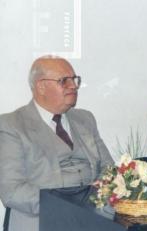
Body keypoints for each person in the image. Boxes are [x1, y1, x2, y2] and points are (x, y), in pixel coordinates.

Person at [0, 56, 114, 231]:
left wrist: (98, 202)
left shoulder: (85, 119)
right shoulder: (12, 125)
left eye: (75, 80)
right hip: (42, 218)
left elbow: (108, 169)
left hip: (93, 215)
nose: (74, 86)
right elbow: (12, 191)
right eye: (64, 81)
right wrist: (66, 209)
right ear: (41, 86)